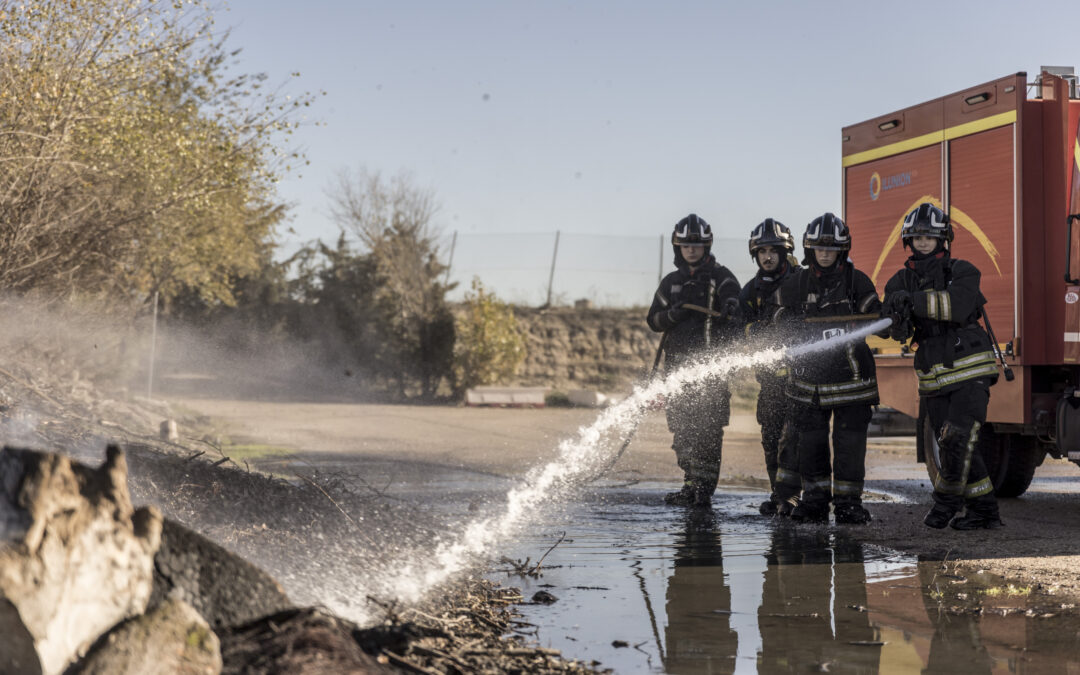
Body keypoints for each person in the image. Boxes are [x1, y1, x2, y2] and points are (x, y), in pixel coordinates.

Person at [880, 203, 1002, 530]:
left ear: (943, 239)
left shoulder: (963, 271)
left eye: (930, 237)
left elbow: (956, 306)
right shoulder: (899, 280)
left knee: (957, 437)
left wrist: (913, 302)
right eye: (917, 237)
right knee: (953, 446)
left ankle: (945, 504)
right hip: (934, 376)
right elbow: (894, 329)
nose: (922, 242)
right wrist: (895, 322)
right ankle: (985, 512)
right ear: (908, 240)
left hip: (971, 368)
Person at [773, 213, 880, 524]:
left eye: (831, 249)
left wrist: (888, 316)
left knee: (849, 448)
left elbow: (877, 318)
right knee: (811, 447)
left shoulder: (856, 282)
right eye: (819, 248)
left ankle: (848, 504)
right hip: (809, 387)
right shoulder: (796, 284)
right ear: (810, 250)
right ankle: (815, 501)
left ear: (842, 251)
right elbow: (775, 318)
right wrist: (786, 322)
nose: (824, 254)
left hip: (852, 384)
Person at [647, 213, 742, 508]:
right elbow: (653, 320)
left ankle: (703, 491)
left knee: (708, 432)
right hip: (676, 371)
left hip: (710, 371)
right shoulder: (671, 282)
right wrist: (672, 315)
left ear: (707, 246)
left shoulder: (721, 277)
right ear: (678, 247)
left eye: (697, 244)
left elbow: (736, 305)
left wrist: (730, 308)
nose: (691, 249)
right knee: (682, 430)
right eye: (686, 244)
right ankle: (690, 485)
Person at [739, 218, 798, 516]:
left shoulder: (802, 282)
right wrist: (759, 328)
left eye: (774, 250)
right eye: (762, 251)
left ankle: (794, 497)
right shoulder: (751, 291)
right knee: (771, 438)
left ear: (785, 251)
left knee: (795, 439)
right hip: (770, 383)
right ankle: (779, 496)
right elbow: (738, 330)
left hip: (801, 382)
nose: (768, 256)